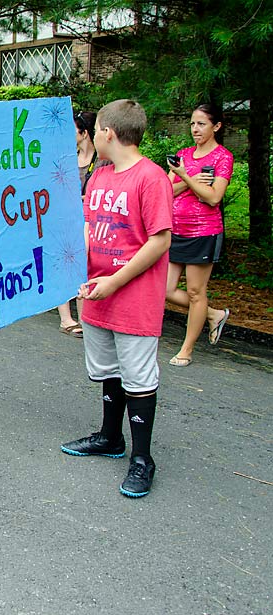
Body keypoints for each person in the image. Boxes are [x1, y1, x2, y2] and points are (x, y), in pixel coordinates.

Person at [60, 100, 173, 499]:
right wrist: (79, 273)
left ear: (107, 132)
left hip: (133, 299)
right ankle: (110, 437)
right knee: (107, 368)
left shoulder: (151, 178)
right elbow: (91, 229)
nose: (93, 133)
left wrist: (115, 280)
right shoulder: (99, 178)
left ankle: (143, 458)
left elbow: (160, 240)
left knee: (139, 376)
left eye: (97, 128)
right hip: (98, 296)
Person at [164, 103, 233, 366]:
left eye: (202, 124)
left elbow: (214, 197)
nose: (195, 129)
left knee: (195, 292)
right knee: (164, 288)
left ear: (216, 127)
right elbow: (167, 191)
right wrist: (188, 179)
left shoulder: (222, 157)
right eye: (193, 123)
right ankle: (214, 314)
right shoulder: (184, 154)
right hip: (176, 228)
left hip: (203, 231)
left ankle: (187, 349)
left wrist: (184, 177)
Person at [57, 110, 110, 338]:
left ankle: (85, 316)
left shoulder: (103, 161)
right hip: (68, 218)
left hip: (92, 220)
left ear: (84, 133)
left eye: (74, 129)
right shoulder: (68, 158)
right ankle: (66, 318)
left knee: (85, 266)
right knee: (65, 264)